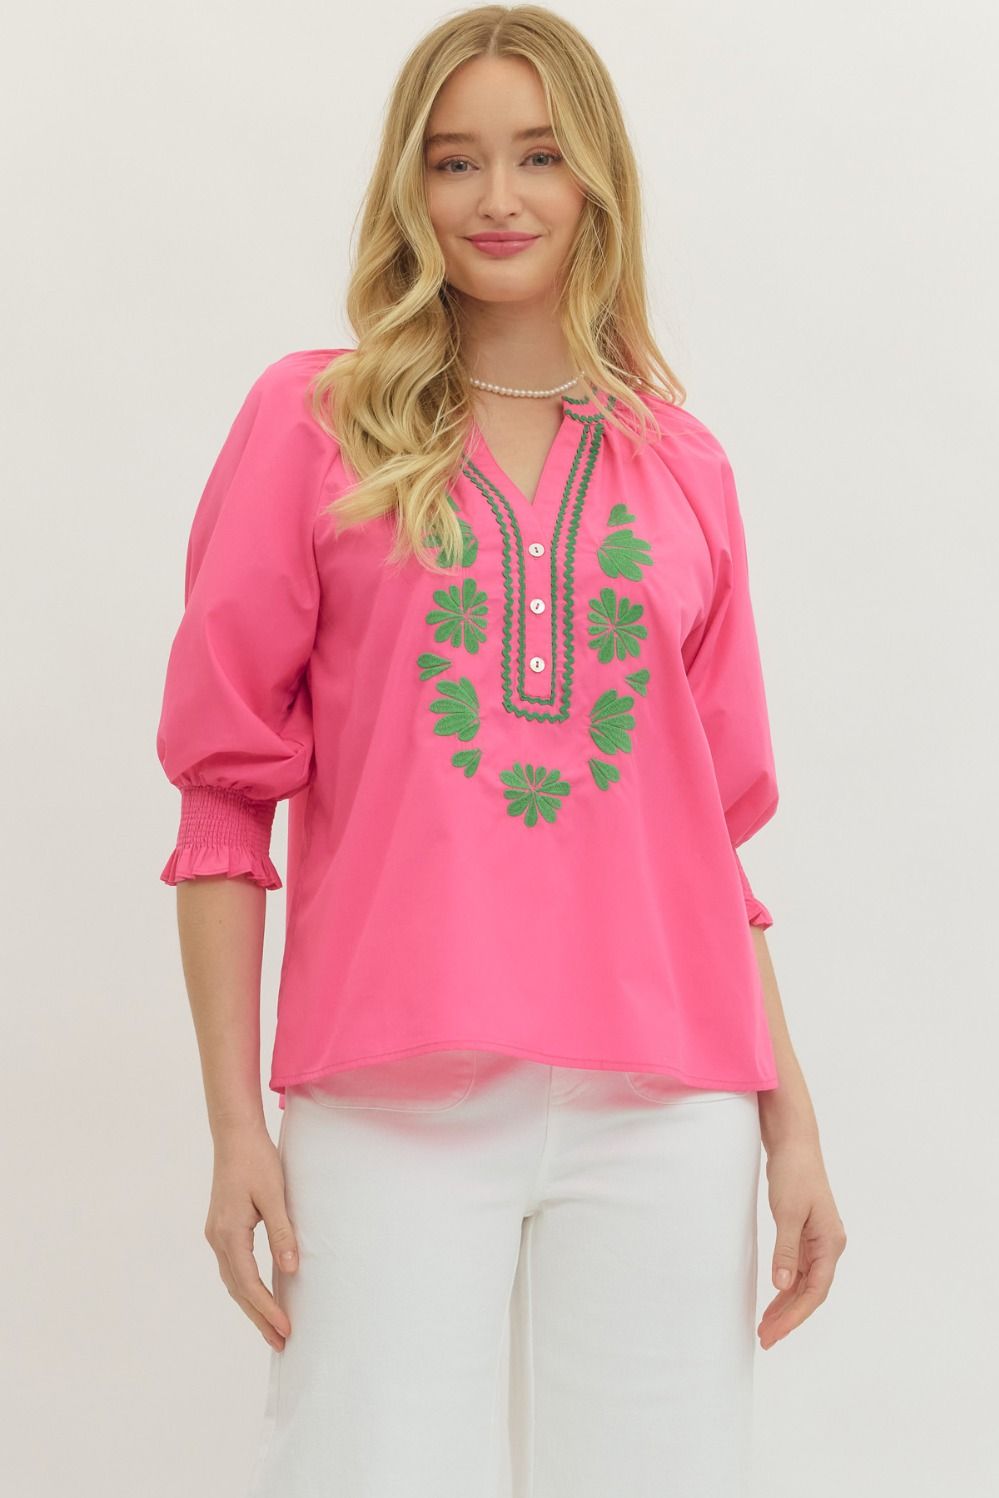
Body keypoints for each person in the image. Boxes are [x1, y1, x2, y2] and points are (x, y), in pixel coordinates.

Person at [155, 7, 846, 1496]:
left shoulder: (683, 465)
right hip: (388, 1096)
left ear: (597, 178)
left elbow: (710, 845)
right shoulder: (316, 422)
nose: (499, 198)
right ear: (409, 185)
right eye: (456, 161)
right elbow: (222, 803)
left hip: (670, 1105)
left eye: (539, 155)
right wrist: (233, 1128)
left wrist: (792, 1124)